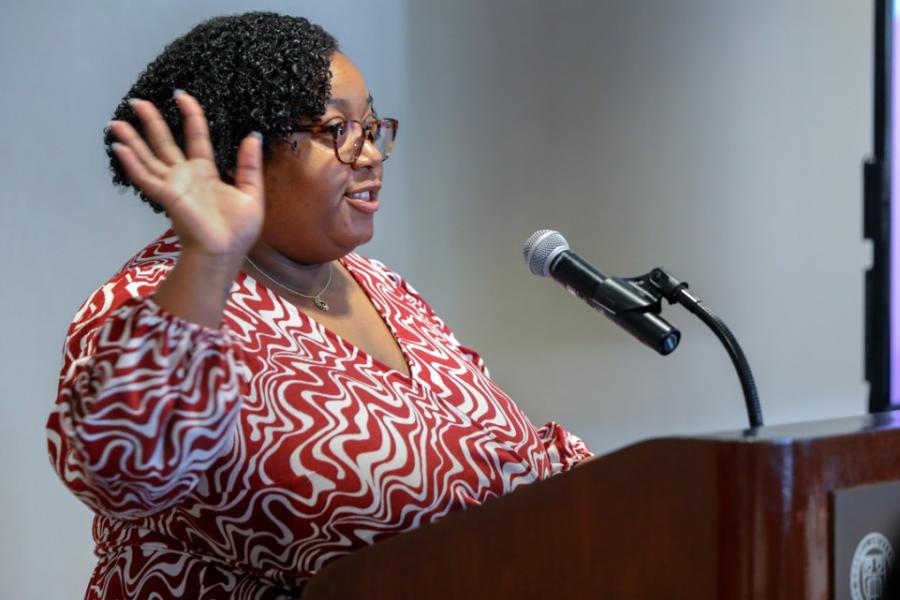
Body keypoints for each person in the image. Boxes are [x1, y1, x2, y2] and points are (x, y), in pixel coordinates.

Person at [47, 12, 591, 599]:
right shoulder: (155, 298)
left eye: (371, 127)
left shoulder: (381, 286)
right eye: (338, 130)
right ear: (239, 151)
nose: (370, 154)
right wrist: (209, 258)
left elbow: (507, 455)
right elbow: (122, 471)